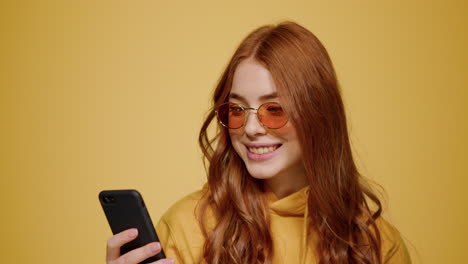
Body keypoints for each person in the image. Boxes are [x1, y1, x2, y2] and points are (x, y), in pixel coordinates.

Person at [105, 21, 411, 264]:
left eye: (274, 109)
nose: (250, 128)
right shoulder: (187, 227)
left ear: (318, 114)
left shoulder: (375, 244)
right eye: (237, 110)